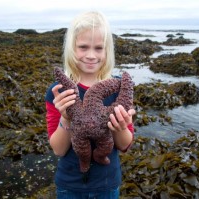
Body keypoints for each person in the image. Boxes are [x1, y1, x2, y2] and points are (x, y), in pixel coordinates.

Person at [45, 11, 135, 199]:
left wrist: (120, 127)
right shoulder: (59, 92)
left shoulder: (118, 89)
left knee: (103, 149)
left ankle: (99, 157)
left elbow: (125, 145)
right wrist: (66, 116)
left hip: (107, 184)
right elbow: (59, 150)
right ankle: (86, 161)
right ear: (72, 48)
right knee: (84, 153)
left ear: (107, 50)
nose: (91, 55)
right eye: (83, 47)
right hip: (69, 185)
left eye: (99, 48)